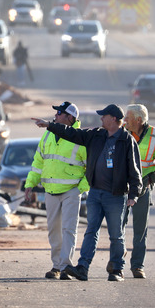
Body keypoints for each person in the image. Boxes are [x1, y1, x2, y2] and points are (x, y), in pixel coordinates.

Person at [34, 103, 142, 282]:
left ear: (114, 119)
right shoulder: (96, 135)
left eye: (103, 116)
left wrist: (134, 194)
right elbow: (73, 133)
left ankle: (116, 270)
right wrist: (49, 125)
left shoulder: (126, 140)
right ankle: (82, 268)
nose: (100, 119)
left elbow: (134, 169)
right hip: (96, 194)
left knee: (116, 234)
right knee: (91, 231)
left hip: (115, 195)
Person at [24, 101, 89, 280]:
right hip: (51, 190)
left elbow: (90, 167)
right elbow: (38, 162)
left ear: (70, 118)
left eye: (60, 113)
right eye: (56, 113)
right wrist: (30, 184)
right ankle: (56, 266)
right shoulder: (48, 135)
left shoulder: (80, 137)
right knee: (54, 229)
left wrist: (80, 189)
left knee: (69, 229)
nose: (56, 115)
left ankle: (65, 265)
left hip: (71, 191)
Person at [120, 104, 155, 279]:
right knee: (117, 227)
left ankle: (137, 266)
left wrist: (149, 180)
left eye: (127, 117)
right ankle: (118, 261)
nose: (124, 120)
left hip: (143, 189)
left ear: (139, 120)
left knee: (140, 231)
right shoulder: (121, 133)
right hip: (122, 188)